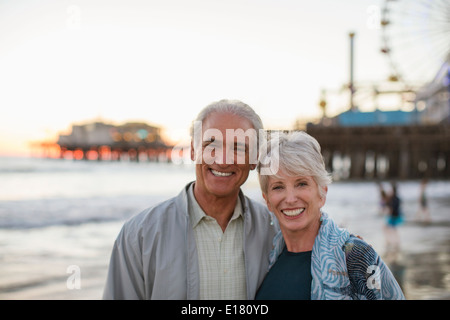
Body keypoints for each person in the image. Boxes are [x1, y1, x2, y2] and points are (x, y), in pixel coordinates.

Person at [103, 99, 278, 299]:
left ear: (254, 159)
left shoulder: (274, 231)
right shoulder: (138, 236)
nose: (222, 160)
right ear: (193, 151)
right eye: (211, 144)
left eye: (238, 148)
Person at [255, 131, 404, 300]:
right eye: (278, 187)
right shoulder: (265, 259)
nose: (290, 199)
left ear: (322, 193)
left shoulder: (355, 256)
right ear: (267, 200)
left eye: (301, 184)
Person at [384, 182, 403, 252]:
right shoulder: (397, 198)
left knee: (388, 228)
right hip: (397, 215)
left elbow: (391, 208)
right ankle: (395, 242)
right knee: (393, 229)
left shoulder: (393, 199)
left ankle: (390, 241)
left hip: (393, 216)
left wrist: (389, 214)